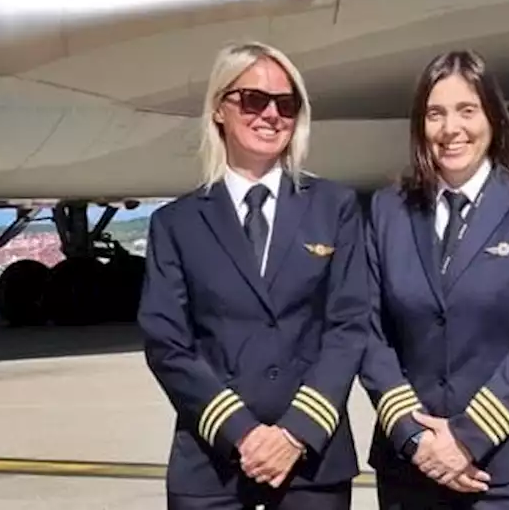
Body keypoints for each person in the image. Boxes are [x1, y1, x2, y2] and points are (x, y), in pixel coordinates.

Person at [138, 41, 369, 510]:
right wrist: (241, 433)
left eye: (286, 104)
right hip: (211, 463)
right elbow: (167, 343)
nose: (271, 115)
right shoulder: (177, 223)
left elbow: (349, 327)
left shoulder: (334, 207)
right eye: (253, 100)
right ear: (220, 109)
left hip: (312, 460)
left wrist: (295, 433)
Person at [358, 49, 509, 509]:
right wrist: (415, 436)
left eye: (467, 110)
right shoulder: (388, 210)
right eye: (435, 114)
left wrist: (467, 436)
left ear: (493, 118)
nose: (451, 129)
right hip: (413, 469)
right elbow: (368, 333)